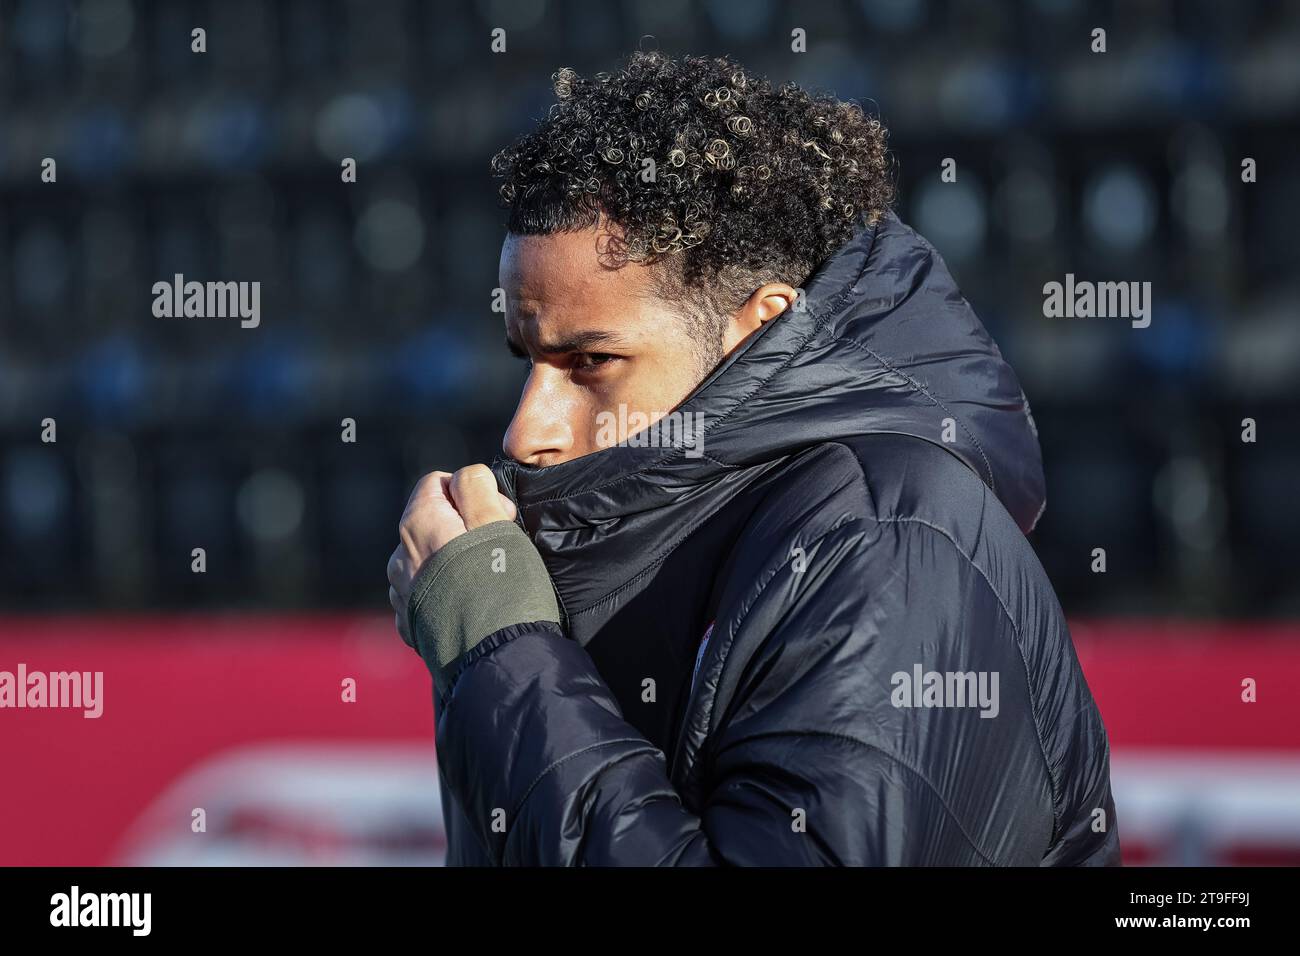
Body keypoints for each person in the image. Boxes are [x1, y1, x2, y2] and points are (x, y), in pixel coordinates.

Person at [386, 52, 1120, 866]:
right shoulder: (674, 527)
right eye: (525, 359)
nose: (527, 432)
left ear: (760, 322)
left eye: (590, 363)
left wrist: (503, 653)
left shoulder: (887, 540)